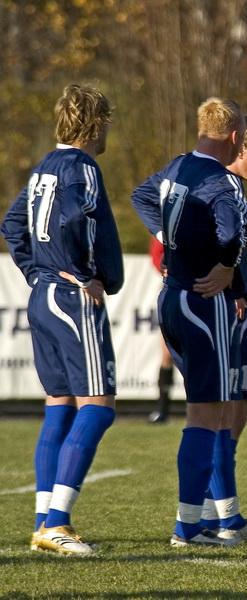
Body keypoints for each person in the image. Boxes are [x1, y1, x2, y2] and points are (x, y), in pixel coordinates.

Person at [131, 97, 247, 547]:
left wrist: (164, 236)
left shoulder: (176, 167)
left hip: (171, 299)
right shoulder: (223, 182)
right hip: (203, 302)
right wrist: (229, 264)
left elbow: (141, 196)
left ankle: (204, 520)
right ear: (233, 137)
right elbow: (230, 237)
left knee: (204, 412)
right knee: (209, 415)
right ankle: (189, 526)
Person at [2, 84, 123, 555]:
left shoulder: (42, 169)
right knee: (98, 405)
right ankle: (57, 522)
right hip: (72, 298)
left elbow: (12, 225)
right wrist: (85, 274)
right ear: (96, 124)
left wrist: (37, 272)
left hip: (42, 296)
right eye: (107, 121)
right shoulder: (82, 168)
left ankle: (42, 521)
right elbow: (77, 219)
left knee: (60, 405)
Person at [194, 114, 247, 543]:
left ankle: (216, 515)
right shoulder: (217, 182)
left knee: (235, 414)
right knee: (223, 413)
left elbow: (231, 239)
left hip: (238, 306)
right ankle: (223, 519)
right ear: (241, 146)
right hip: (221, 310)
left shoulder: (232, 191)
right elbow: (145, 197)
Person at [147, 236, 175, 424]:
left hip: (203, 286)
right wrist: (167, 269)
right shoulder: (167, 216)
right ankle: (162, 407)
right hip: (173, 287)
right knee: (167, 351)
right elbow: (157, 254)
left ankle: (200, 406)